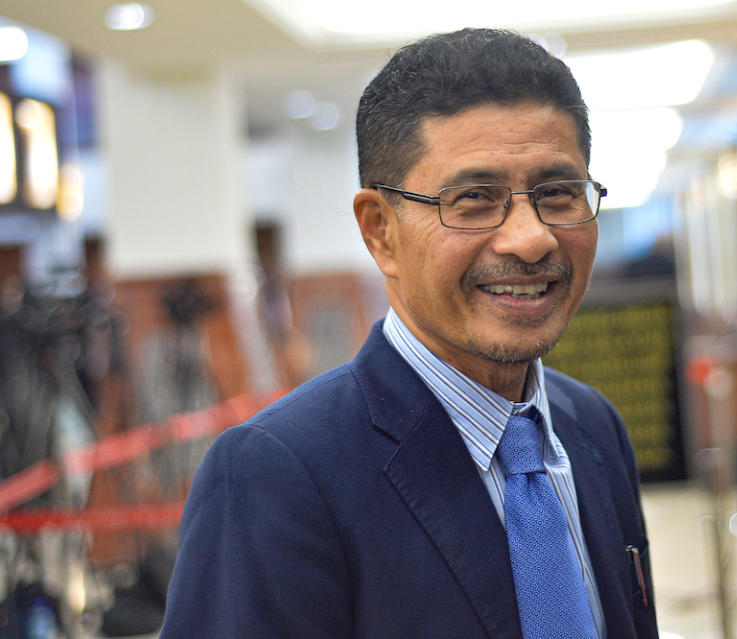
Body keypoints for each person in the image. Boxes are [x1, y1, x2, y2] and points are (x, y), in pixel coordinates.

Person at [159, 28, 658, 639]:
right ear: (380, 232)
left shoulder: (592, 427)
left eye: (557, 193)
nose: (531, 238)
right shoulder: (277, 474)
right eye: (474, 199)